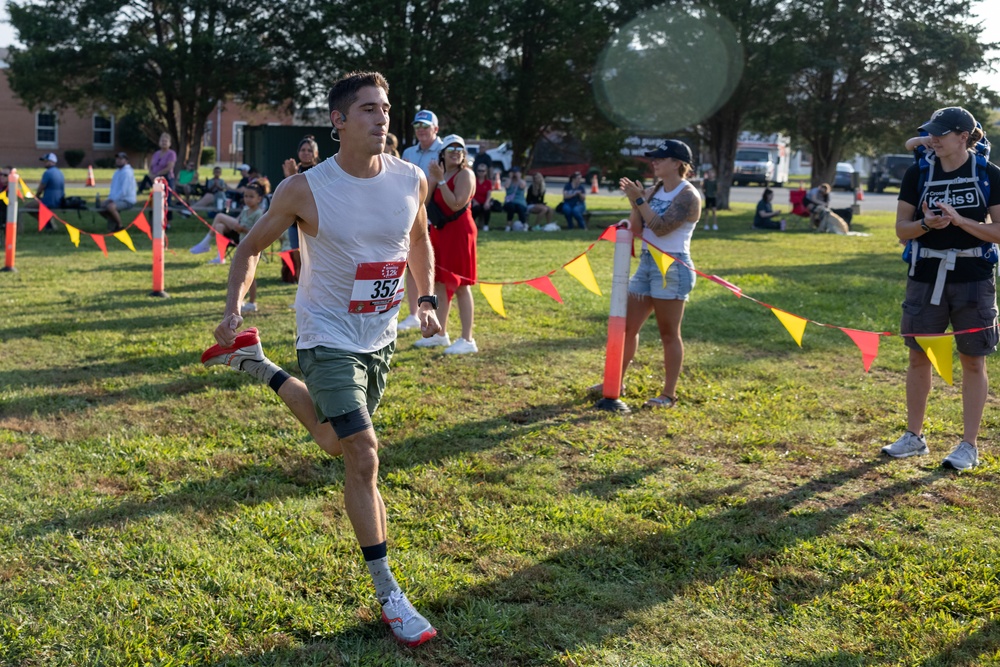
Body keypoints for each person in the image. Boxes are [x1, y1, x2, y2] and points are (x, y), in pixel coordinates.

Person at [201, 71, 440, 646]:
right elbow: (249, 249)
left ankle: (258, 365)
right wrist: (234, 305)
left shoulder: (411, 179)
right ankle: (390, 594)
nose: (382, 117)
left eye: (385, 108)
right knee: (362, 453)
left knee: (335, 441)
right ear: (337, 121)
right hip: (326, 335)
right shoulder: (306, 189)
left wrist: (426, 300)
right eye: (367, 109)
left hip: (379, 338)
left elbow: (419, 241)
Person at [882, 106, 1000, 470]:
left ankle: (968, 446)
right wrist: (927, 225)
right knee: (919, 354)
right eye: (930, 133)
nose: (933, 139)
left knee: (972, 359)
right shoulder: (918, 171)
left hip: (974, 278)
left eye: (941, 133)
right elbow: (902, 228)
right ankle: (914, 437)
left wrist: (962, 221)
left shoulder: (989, 174)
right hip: (925, 275)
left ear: (963, 137)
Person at [591, 139, 702, 408]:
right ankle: (615, 381)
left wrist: (639, 199)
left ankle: (668, 395)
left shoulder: (688, 195)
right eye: (654, 158)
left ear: (677, 164)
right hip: (647, 264)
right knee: (626, 327)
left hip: (673, 267)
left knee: (668, 333)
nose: (654, 162)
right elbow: (640, 228)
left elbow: (662, 228)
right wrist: (634, 205)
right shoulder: (654, 191)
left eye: (660, 159)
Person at [417, 134, 478, 354]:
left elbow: (455, 203)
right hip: (441, 233)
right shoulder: (440, 173)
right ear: (442, 153)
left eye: (459, 149)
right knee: (441, 283)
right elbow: (425, 200)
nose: (455, 152)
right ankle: (440, 335)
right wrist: (434, 179)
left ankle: (468, 339)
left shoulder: (466, 175)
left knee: (462, 285)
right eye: (450, 149)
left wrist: (441, 180)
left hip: (460, 232)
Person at [399, 109, 444, 331]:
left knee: (431, 265)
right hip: (412, 215)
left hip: (437, 218)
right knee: (410, 264)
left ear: (436, 129)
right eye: (418, 127)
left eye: (426, 126)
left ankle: (432, 313)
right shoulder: (408, 151)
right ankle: (413, 313)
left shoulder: (445, 151)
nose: (421, 131)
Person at [190, 180, 266, 269]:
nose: (247, 199)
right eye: (246, 196)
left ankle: (205, 243)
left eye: (251, 197)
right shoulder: (245, 210)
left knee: (219, 216)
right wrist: (238, 227)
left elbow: (258, 233)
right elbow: (237, 221)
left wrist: (242, 229)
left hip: (247, 237)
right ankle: (220, 256)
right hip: (237, 233)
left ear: (259, 199)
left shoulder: (259, 213)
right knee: (219, 226)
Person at [280, 135, 322, 284]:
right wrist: (288, 178)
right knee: (298, 259)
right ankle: (300, 290)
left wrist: (293, 177)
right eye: (303, 150)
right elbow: (287, 196)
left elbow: (309, 195)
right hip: (293, 222)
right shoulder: (294, 169)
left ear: (316, 154)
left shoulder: (319, 171)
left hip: (311, 221)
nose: (306, 153)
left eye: (310, 150)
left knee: (311, 260)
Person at [100, 152, 137, 232]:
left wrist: (112, 201)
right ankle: (114, 223)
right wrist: (109, 199)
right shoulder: (117, 172)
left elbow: (124, 191)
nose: (118, 161)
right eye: (117, 159)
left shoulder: (127, 173)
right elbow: (113, 189)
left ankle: (120, 226)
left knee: (111, 207)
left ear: (126, 161)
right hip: (117, 199)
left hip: (127, 200)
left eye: (121, 159)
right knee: (101, 206)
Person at [33, 152, 65, 231]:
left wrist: (36, 197)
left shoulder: (47, 173)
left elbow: (41, 187)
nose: (44, 163)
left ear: (52, 162)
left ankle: (48, 223)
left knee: (28, 207)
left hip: (49, 200)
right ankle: (49, 222)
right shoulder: (60, 172)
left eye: (46, 161)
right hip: (60, 199)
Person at [502, 166, 529, 231]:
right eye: (513, 172)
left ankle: (524, 224)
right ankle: (508, 225)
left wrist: (518, 178)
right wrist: (510, 178)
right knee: (511, 207)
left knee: (519, 207)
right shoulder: (508, 181)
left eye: (516, 172)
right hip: (509, 202)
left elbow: (522, 186)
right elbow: (506, 186)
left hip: (520, 202)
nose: (514, 174)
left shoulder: (522, 181)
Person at [470, 162, 494, 231]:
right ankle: (472, 224)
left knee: (487, 208)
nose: (481, 172)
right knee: (476, 208)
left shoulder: (488, 182)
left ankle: (486, 225)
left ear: (486, 172)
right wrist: (474, 201)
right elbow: (470, 193)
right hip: (475, 201)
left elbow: (489, 193)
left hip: (484, 201)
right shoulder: (473, 181)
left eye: (483, 171)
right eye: (479, 170)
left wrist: (487, 202)